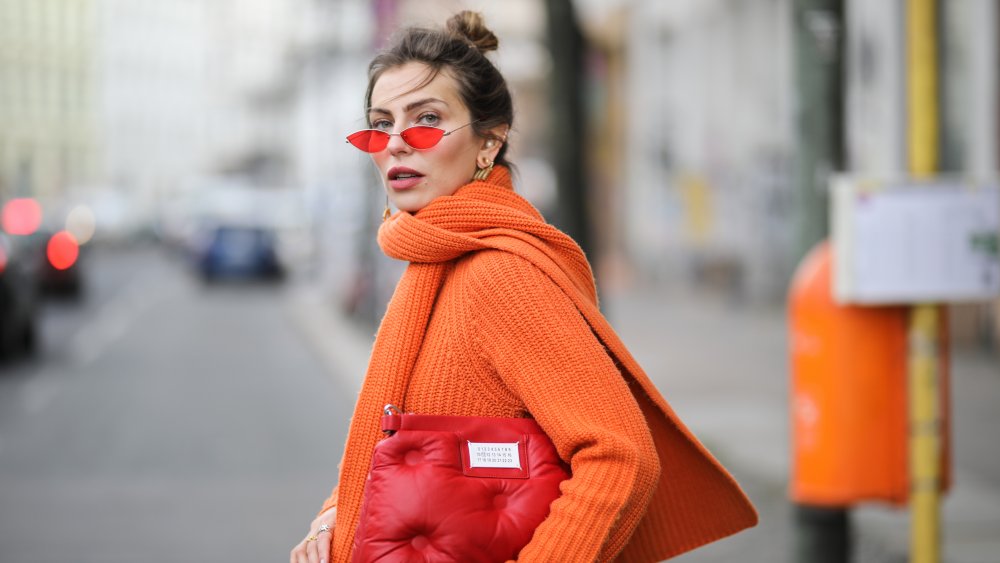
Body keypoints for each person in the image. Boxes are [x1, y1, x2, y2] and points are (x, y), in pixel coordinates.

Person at [291, 11, 757, 563]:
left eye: (425, 120)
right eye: (379, 125)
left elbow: (620, 456)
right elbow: (394, 448)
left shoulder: (500, 275)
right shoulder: (433, 259)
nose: (396, 144)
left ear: (489, 141)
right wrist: (335, 516)